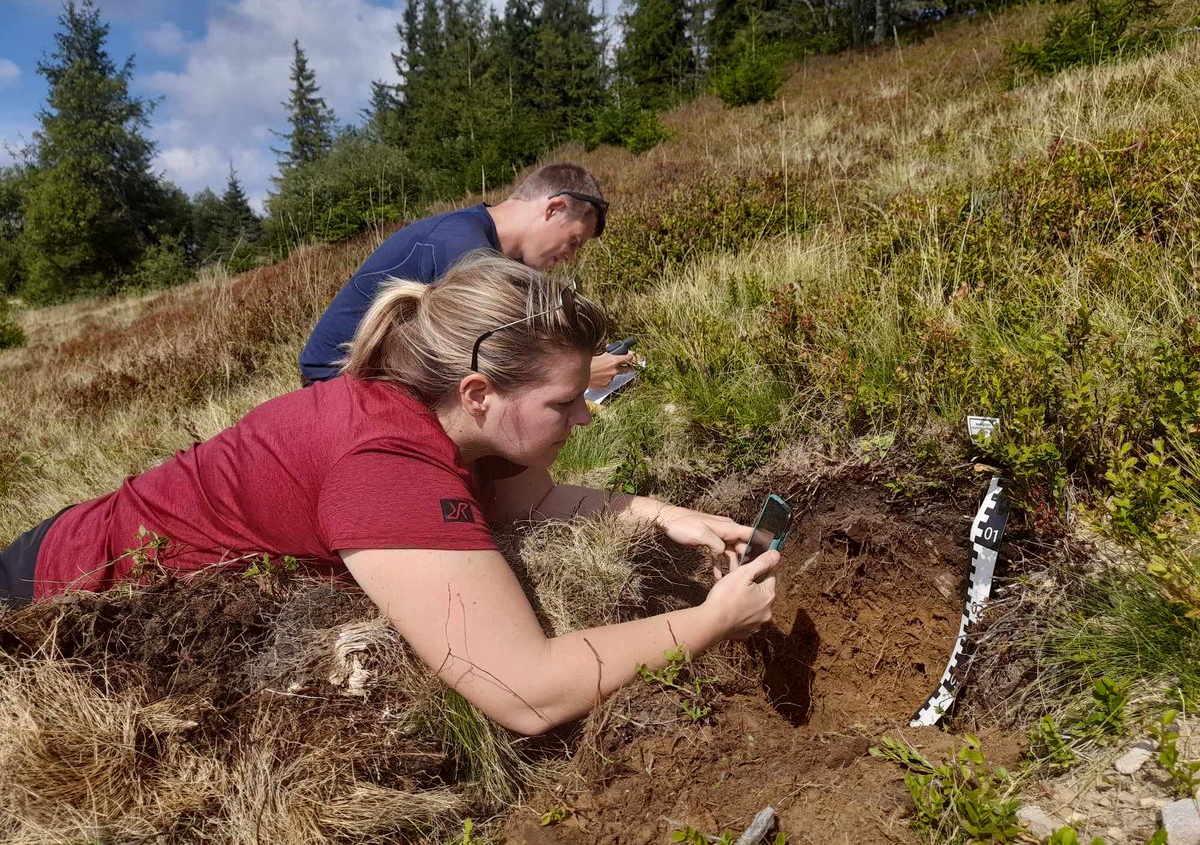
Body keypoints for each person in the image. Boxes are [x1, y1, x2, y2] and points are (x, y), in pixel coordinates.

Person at [0, 251, 780, 736]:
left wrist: (661, 514)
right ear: (478, 393)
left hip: (70, 540)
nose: (585, 414)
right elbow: (525, 689)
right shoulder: (387, 463)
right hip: (44, 604)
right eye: (566, 401)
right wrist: (710, 621)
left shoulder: (432, 408)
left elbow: (526, 502)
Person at [300, 162, 639, 389]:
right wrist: (580, 375)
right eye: (573, 242)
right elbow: (484, 359)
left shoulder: (481, 244)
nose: (568, 257)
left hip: (381, 375)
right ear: (554, 208)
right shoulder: (461, 247)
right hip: (340, 381)